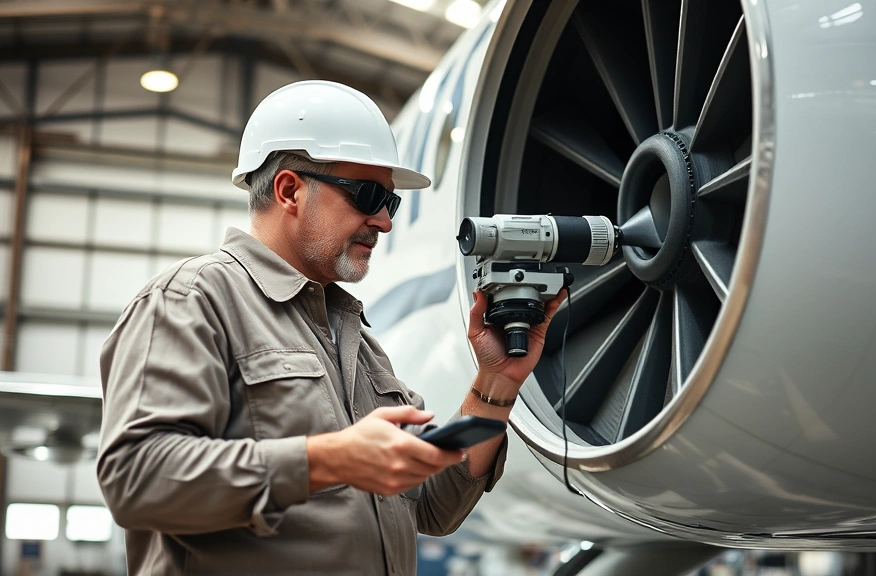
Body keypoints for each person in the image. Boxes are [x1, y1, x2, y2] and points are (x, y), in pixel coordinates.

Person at [96, 80, 566, 575]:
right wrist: (330, 460)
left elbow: (431, 507)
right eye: (368, 195)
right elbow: (135, 477)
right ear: (289, 190)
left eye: (391, 202)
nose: (384, 221)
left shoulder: (356, 341)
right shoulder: (191, 301)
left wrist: (496, 383)